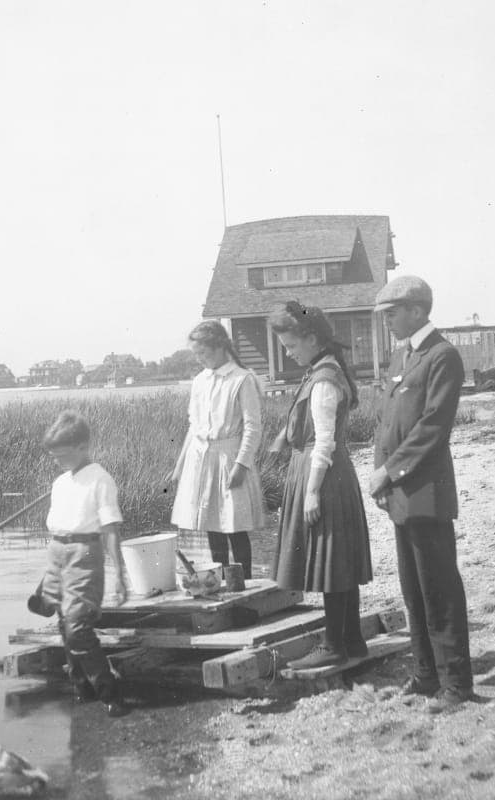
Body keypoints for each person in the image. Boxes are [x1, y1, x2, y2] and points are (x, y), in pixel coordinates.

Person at [367, 275, 474, 713]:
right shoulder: (405, 357)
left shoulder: (442, 357)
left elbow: (432, 427)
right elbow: (389, 422)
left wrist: (389, 472)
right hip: (400, 493)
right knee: (413, 589)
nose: (387, 321)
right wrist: (381, 475)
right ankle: (426, 674)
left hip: (425, 490)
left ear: (416, 310)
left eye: (391, 313)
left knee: (439, 589)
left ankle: (457, 684)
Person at [268, 301, 373, 669]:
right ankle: (353, 640)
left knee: (330, 560)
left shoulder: (324, 380)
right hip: (329, 473)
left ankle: (332, 644)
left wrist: (312, 490)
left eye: (292, 345)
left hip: (324, 476)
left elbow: (325, 440)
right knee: (338, 558)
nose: (288, 352)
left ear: (311, 338)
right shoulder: (321, 370)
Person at [37, 411, 129, 717]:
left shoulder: (100, 479)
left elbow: (110, 529)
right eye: (54, 456)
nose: (58, 461)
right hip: (57, 553)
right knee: (64, 624)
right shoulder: (61, 482)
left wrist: (119, 573)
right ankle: (82, 687)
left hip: (84, 554)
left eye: (62, 455)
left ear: (82, 446)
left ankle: (110, 690)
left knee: (77, 627)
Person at [167, 320, 266, 580]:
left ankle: (245, 582)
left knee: (234, 524)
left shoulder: (241, 379)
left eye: (204, 353)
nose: (200, 359)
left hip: (230, 458)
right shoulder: (200, 381)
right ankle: (220, 581)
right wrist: (179, 466)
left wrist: (241, 465)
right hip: (201, 460)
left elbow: (253, 428)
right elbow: (193, 426)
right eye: (196, 354)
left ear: (220, 346)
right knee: (211, 524)